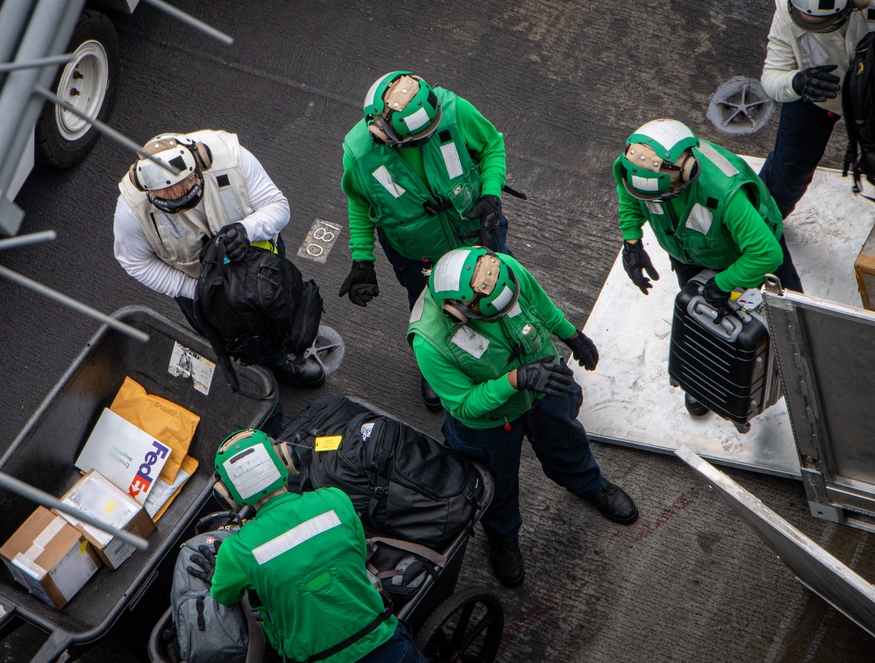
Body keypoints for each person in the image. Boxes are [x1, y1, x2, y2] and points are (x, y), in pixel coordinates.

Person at [407, 246, 639, 588]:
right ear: (457, 311)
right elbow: (464, 405)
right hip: (489, 424)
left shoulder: (503, 270)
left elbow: (538, 304)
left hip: (544, 387)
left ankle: (591, 486)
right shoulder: (429, 342)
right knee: (496, 484)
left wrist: (569, 334)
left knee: (567, 443)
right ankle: (502, 537)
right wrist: (516, 380)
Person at [339, 70, 511, 411]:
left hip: (478, 231)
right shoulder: (358, 154)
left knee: (492, 287)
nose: (425, 142)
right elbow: (359, 201)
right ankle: (440, 368)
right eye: (417, 140)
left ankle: (507, 352)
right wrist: (362, 260)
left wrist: (491, 195)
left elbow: (492, 146)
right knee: (430, 310)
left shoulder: (453, 109)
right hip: (417, 255)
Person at [614, 118, 802, 416]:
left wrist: (723, 284)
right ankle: (704, 383)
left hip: (742, 252)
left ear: (685, 176)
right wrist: (632, 240)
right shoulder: (638, 167)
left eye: (662, 198)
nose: (652, 202)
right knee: (702, 318)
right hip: (690, 252)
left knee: (789, 322)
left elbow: (766, 254)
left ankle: (799, 378)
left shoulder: (725, 192)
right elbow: (628, 193)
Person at [114, 130, 324, 387]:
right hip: (201, 290)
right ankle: (274, 365)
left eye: (188, 189)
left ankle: (289, 346)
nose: (180, 198)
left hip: (263, 268)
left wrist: (246, 230)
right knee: (238, 338)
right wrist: (196, 291)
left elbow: (277, 206)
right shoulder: (131, 210)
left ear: (199, 166)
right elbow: (134, 261)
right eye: (169, 199)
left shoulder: (232, 158)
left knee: (282, 308)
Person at [207, 429, 426, 663]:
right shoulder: (334, 499)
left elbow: (223, 595)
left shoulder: (236, 551)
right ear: (286, 460)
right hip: (384, 642)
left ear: (229, 495)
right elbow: (359, 553)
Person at [759, 0, 875, 218]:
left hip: (870, 93)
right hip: (813, 93)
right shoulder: (786, 6)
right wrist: (796, 82)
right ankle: (764, 223)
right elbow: (772, 74)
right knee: (788, 171)